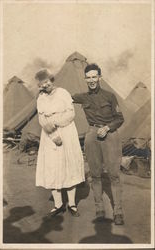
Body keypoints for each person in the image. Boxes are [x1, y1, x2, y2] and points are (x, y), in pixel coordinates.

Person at [72, 63, 124, 225]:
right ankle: (99, 209)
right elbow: (63, 97)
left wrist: (108, 128)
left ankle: (118, 211)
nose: (92, 80)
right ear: (85, 79)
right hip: (92, 135)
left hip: (110, 135)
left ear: (100, 77)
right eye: (88, 77)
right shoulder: (82, 97)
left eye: (94, 76)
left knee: (114, 175)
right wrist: (46, 88)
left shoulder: (110, 96)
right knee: (95, 175)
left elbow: (120, 118)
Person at [35, 69, 85, 217]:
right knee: (52, 166)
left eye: (47, 81)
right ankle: (58, 205)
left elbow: (71, 113)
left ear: (51, 80)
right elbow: (41, 118)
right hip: (49, 135)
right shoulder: (41, 98)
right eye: (42, 83)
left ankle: (72, 204)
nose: (46, 85)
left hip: (66, 132)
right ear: (40, 86)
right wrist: (51, 133)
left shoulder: (63, 93)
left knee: (68, 164)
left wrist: (56, 122)